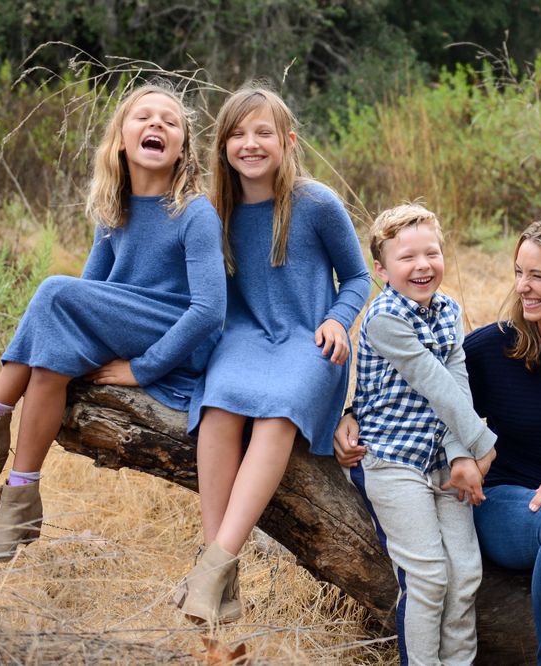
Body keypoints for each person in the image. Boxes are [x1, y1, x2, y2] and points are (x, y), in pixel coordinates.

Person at [0, 82, 226, 563]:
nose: (157, 123)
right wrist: (70, 338)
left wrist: (144, 369)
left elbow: (210, 310)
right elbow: (87, 294)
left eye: (170, 121)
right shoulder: (114, 210)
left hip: (178, 337)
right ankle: (19, 502)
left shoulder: (194, 212)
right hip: (127, 326)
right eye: (143, 117)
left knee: (54, 291)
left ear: (182, 151)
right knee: (50, 359)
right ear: (120, 140)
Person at [337, 217, 541, 665]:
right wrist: (352, 414)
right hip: (505, 499)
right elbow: (437, 395)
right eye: (519, 272)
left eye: (537, 276)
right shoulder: (493, 347)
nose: (522, 287)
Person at [174, 83, 370, 625]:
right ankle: (219, 569)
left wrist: (337, 319)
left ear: (288, 140)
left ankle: (210, 569)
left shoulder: (316, 203)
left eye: (263, 132)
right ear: (222, 145)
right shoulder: (215, 211)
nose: (251, 144)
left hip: (310, 340)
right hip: (243, 337)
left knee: (278, 412)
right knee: (219, 406)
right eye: (237, 134)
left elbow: (358, 277)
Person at [345, 204, 497, 665]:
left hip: (441, 458)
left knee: (465, 574)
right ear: (382, 270)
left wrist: (462, 453)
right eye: (407, 257)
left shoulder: (449, 310)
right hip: (391, 457)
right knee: (428, 577)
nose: (422, 265)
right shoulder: (385, 317)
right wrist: (484, 444)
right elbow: (432, 382)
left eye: (431, 253)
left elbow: (457, 380)